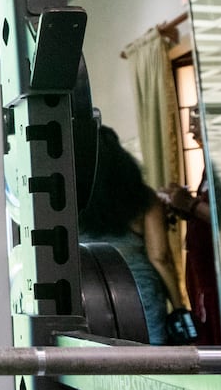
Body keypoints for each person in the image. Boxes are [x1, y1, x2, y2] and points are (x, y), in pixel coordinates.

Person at [80, 125, 195, 345]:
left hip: (90, 291)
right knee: (149, 360)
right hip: (141, 293)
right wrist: (180, 307)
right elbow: (160, 257)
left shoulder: (73, 201)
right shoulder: (143, 198)